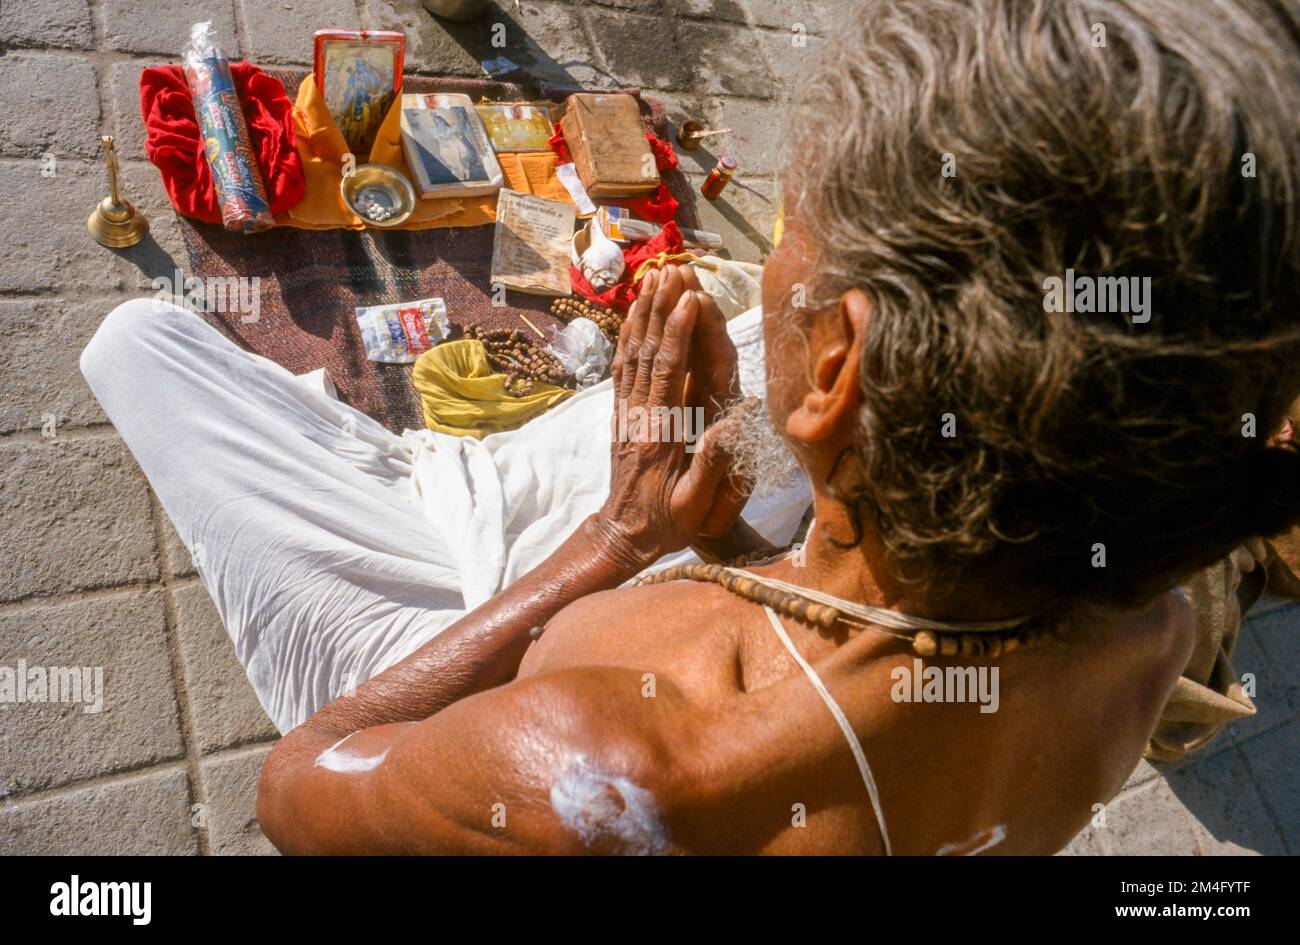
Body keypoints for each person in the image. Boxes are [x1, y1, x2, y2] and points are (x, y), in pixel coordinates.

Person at [81, 0, 1300, 854]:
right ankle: (428, 480)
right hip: (719, 601)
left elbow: (293, 788)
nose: (770, 271)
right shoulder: (1149, 628)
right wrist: (724, 553)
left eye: (793, 249)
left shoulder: (600, 770)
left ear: (833, 373)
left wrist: (612, 543)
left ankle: (421, 485)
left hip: (463, 685)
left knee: (135, 348)